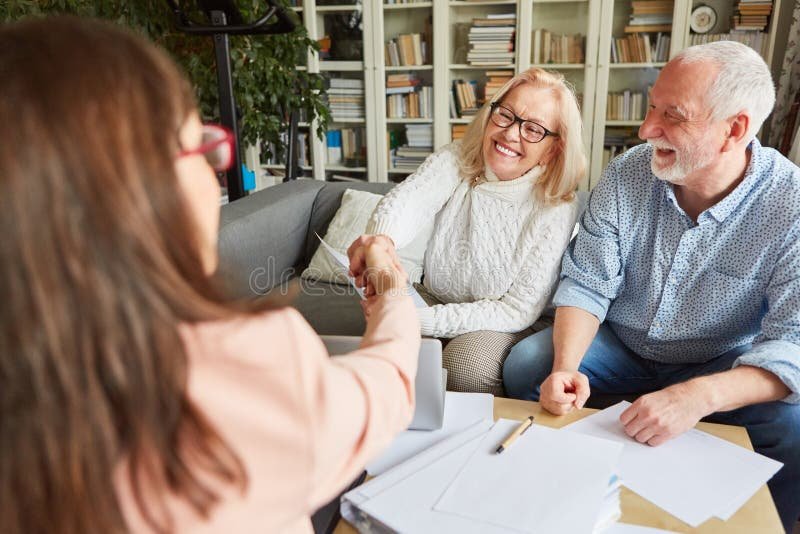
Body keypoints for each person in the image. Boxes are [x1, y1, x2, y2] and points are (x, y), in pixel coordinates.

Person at [0, 16, 420, 534]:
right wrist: (390, 286)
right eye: (201, 146)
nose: (215, 168)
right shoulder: (244, 367)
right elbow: (387, 386)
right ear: (139, 190)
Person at [503, 41, 800, 532]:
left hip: (720, 361)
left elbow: (793, 344)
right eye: (651, 107)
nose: (646, 130)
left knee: (793, 429)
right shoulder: (628, 172)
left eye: (673, 116)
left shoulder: (790, 206)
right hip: (623, 345)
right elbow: (587, 283)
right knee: (529, 367)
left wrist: (698, 397)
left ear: (735, 130)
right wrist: (566, 367)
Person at [348, 68, 586, 395]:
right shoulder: (458, 158)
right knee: (383, 343)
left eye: (533, 129)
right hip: (437, 295)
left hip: (504, 318)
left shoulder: (556, 206)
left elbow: (515, 310)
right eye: (506, 115)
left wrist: (418, 319)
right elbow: (408, 201)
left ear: (554, 149)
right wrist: (380, 242)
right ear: (491, 113)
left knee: (465, 366)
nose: (511, 134)